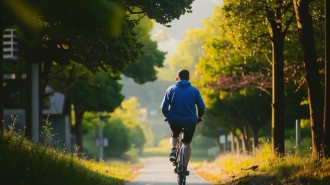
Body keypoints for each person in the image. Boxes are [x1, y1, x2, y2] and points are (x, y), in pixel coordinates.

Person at [160, 69, 206, 166]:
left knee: (174, 135)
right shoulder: (195, 90)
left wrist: (167, 116)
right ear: (189, 78)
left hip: (174, 120)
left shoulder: (170, 89)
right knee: (187, 143)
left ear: (177, 78)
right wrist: (199, 116)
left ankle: (173, 149)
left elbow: (163, 107)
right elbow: (201, 107)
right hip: (190, 121)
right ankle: (184, 167)